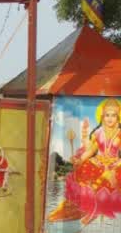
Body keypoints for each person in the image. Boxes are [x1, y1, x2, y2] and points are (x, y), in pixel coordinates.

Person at [49, 97, 121, 226]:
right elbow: (91, 151)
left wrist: (114, 165)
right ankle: (83, 209)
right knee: (85, 170)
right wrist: (79, 159)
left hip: (116, 164)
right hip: (99, 162)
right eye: (107, 115)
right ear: (102, 117)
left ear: (118, 117)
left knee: (110, 179)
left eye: (113, 115)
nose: (110, 118)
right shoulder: (98, 133)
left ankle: (95, 211)